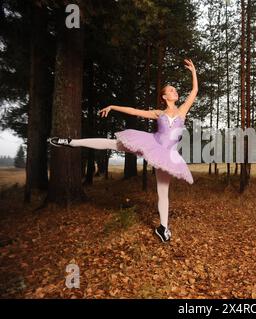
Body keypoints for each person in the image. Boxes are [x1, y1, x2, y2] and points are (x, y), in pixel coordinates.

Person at [47, 59, 198, 243]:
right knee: (113, 144)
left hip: (167, 154)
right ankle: (71, 142)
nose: (175, 91)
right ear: (165, 97)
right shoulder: (159, 113)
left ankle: (163, 228)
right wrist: (112, 106)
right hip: (152, 143)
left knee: (163, 191)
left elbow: (194, 91)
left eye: (175, 89)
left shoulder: (183, 110)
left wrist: (193, 72)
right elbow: (133, 111)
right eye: (171, 90)